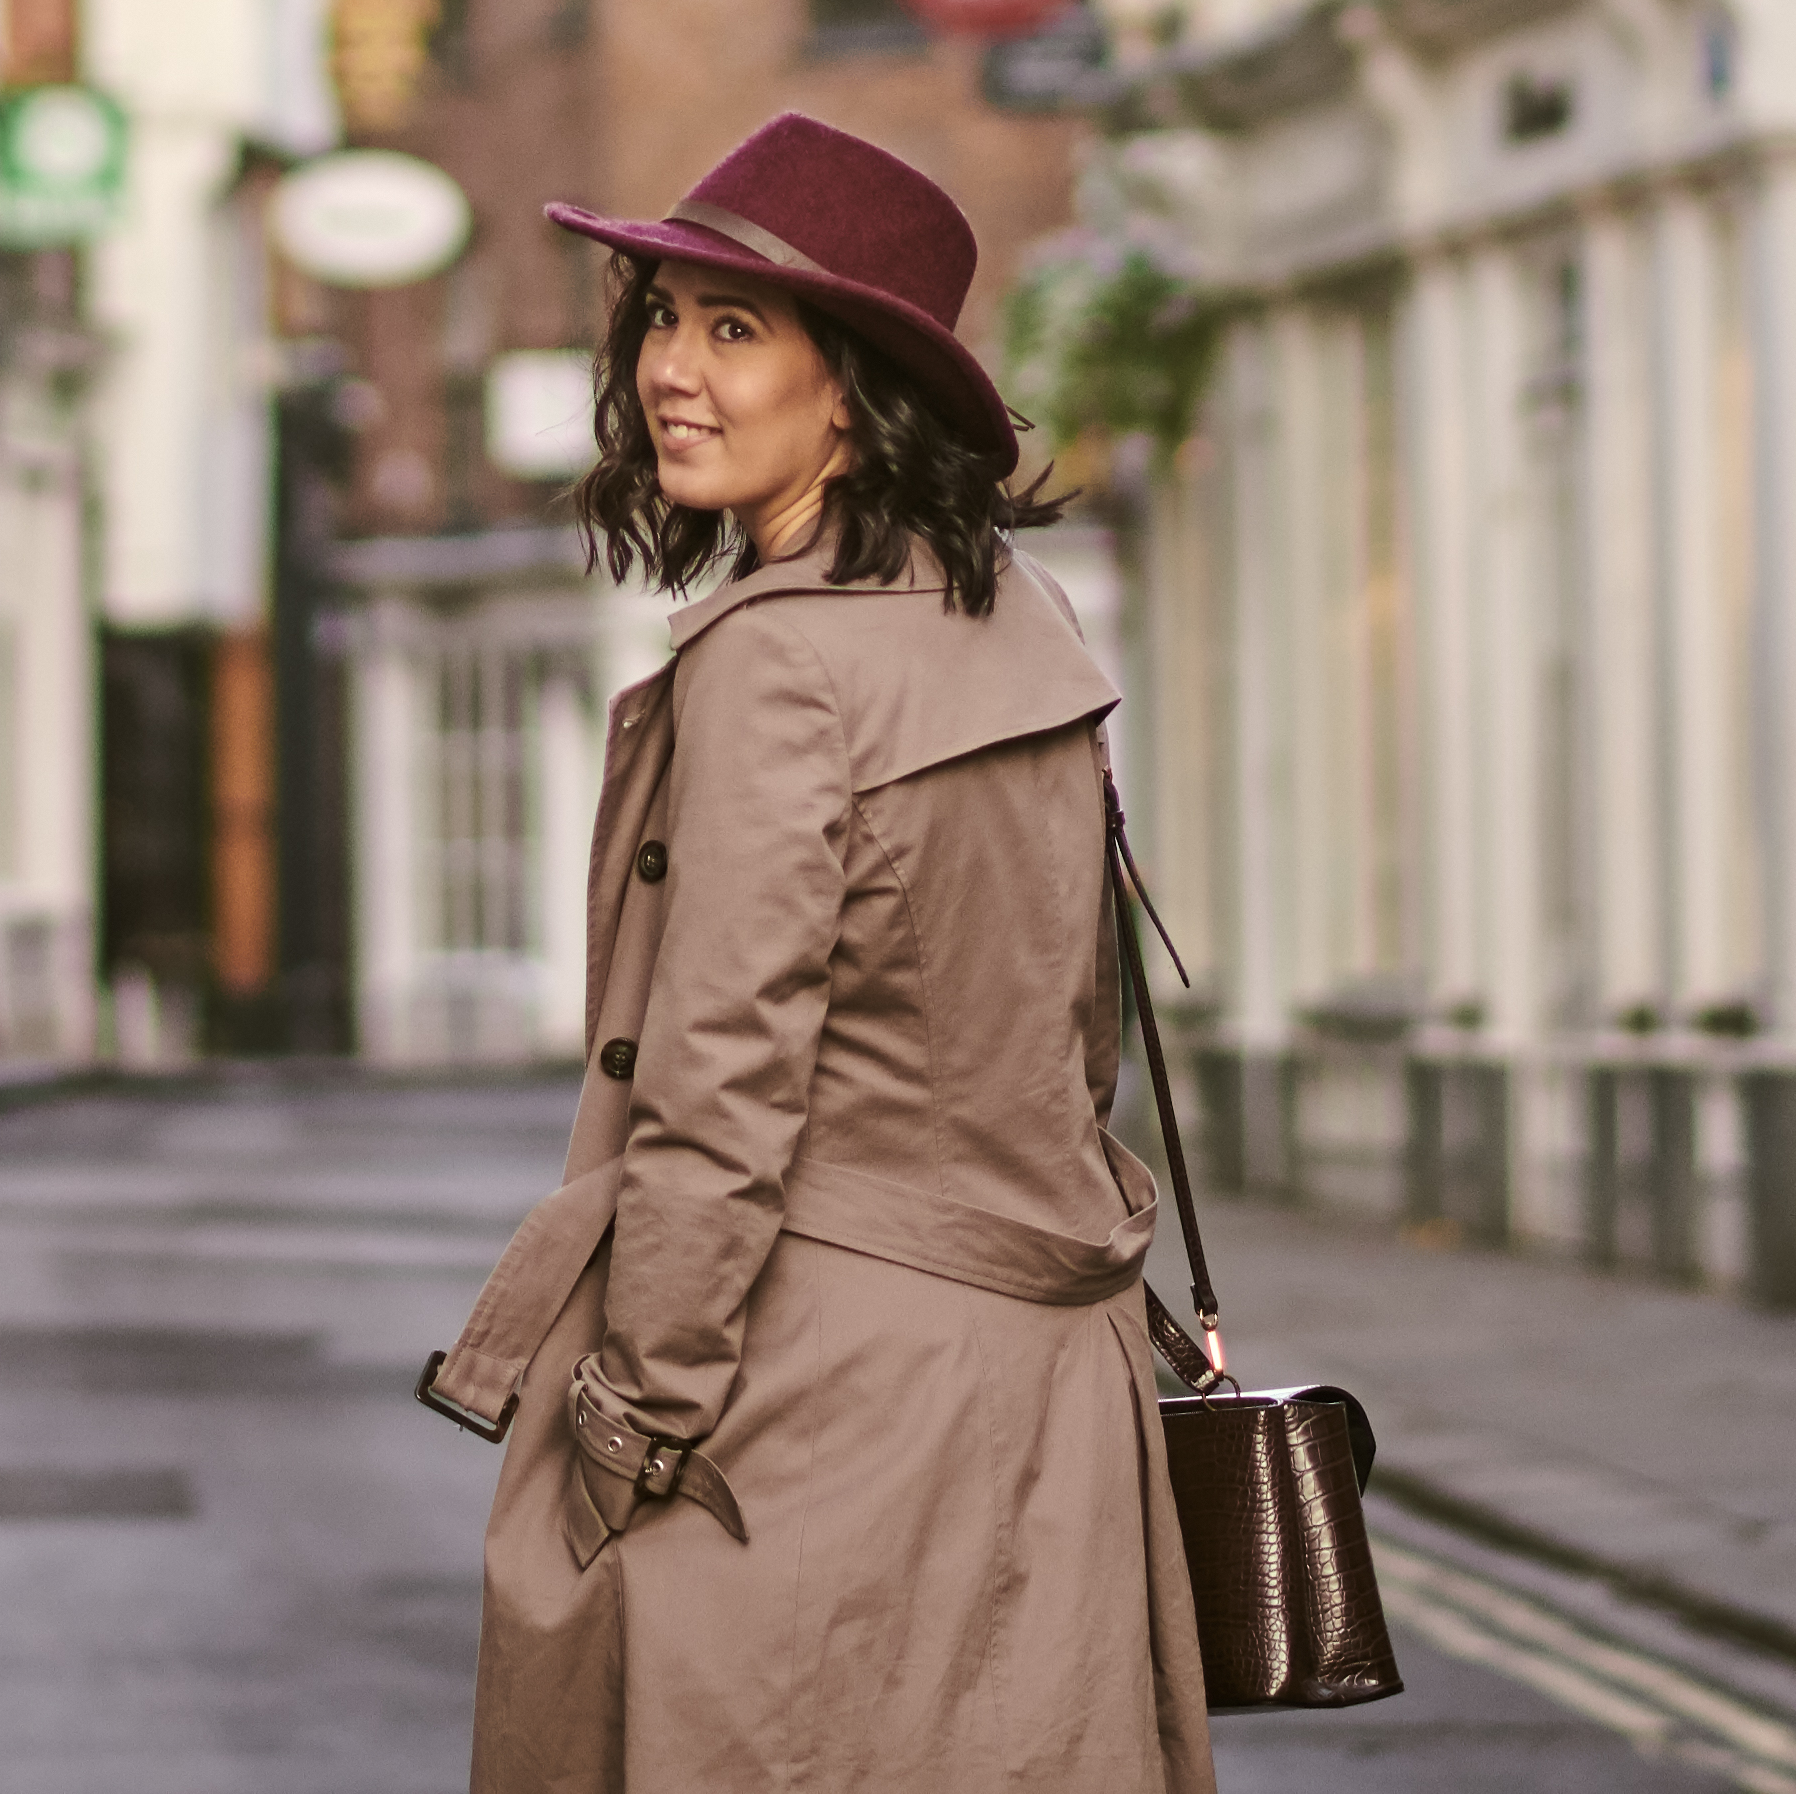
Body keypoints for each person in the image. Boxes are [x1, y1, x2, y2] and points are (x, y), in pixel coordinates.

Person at [426, 114, 1210, 1794]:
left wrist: (639, 1406)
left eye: (732, 330)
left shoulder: (780, 668)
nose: (666, 372)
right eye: (658, 316)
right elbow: (1068, 1040)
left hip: (814, 1394)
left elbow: (718, 1082)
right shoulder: (1017, 626)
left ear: (850, 388)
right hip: (1038, 1378)